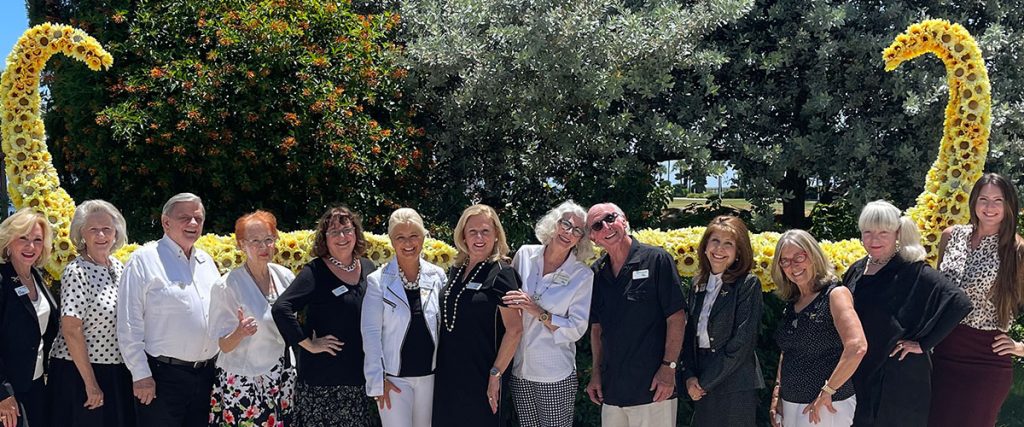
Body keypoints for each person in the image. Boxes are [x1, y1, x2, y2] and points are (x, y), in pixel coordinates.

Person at [842, 200, 971, 427]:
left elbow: (959, 302)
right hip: (862, 371)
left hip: (898, 379)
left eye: (883, 233)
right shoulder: (856, 269)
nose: (874, 240)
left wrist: (924, 344)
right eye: (868, 232)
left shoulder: (913, 270)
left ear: (897, 233)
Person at [117, 192, 221, 426]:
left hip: (205, 376)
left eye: (198, 218)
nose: (193, 223)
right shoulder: (144, 260)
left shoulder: (206, 262)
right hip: (161, 377)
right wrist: (141, 375)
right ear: (166, 222)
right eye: (184, 217)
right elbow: (129, 323)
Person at [928, 173, 1024, 427]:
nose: (989, 207)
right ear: (973, 202)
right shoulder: (951, 236)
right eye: (983, 199)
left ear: (1009, 205)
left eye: (998, 200)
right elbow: (939, 292)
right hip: (943, 352)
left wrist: (1020, 347)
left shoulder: (1017, 251)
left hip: (986, 359)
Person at [585, 203, 685, 427]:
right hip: (612, 390)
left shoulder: (657, 260)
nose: (607, 227)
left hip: (653, 388)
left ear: (624, 220)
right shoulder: (597, 274)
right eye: (598, 225)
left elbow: (677, 317)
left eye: (611, 218)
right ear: (593, 237)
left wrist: (669, 368)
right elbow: (597, 329)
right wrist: (596, 373)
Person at [272, 206, 372, 426]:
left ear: (356, 232)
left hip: (359, 379)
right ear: (324, 239)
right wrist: (307, 344)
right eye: (334, 232)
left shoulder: (368, 268)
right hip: (323, 382)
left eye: (347, 229)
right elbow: (281, 308)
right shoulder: (314, 272)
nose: (342, 237)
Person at [504, 201, 594, 427]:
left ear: (581, 239)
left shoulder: (582, 275)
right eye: (565, 224)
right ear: (554, 224)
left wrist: (538, 312)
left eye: (577, 230)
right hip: (520, 368)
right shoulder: (524, 254)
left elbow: (576, 328)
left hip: (553, 373)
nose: (568, 232)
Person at [433, 204, 524, 427]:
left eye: (485, 231)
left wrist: (496, 374)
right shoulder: (455, 271)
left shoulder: (502, 273)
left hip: (482, 377)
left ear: (496, 236)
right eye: (472, 231)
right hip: (448, 376)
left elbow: (515, 330)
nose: (479, 237)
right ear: (463, 235)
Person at [49, 201, 134, 427]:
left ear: (116, 233)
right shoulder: (76, 271)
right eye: (93, 230)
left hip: (115, 370)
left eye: (107, 229)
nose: (101, 235)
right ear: (82, 234)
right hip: (80, 372)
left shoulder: (118, 267)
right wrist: (91, 382)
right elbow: (71, 329)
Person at [769, 229, 866, 427]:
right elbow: (787, 351)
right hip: (792, 402)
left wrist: (828, 391)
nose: (792, 266)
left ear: (813, 256)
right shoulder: (793, 302)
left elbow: (857, 347)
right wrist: (777, 392)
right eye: (784, 260)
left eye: (799, 257)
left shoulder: (835, 294)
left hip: (826, 406)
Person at [208, 211, 296, 426]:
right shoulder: (227, 285)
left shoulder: (285, 276)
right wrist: (240, 332)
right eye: (255, 241)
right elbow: (223, 345)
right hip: (245, 381)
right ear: (241, 245)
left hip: (282, 376)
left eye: (268, 239)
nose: (263, 247)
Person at [361, 208, 446, 427]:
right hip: (394, 380)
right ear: (391, 240)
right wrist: (378, 381)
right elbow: (370, 334)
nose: (408, 243)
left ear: (423, 237)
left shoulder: (437, 276)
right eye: (401, 237)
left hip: (431, 377)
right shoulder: (377, 281)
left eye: (414, 236)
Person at [679, 215, 764, 426]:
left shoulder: (748, 284)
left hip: (734, 383)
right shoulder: (697, 283)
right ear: (706, 245)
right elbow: (689, 337)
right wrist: (690, 377)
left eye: (729, 244)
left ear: (738, 252)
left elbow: (742, 343)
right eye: (715, 240)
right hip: (701, 378)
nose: (719, 249)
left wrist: (704, 383)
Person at [0, 208, 58, 427]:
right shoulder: (3, 279)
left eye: (37, 240)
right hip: (9, 390)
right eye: (23, 238)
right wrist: (3, 394)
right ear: (8, 240)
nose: (30, 246)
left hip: (35, 384)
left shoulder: (37, 277)